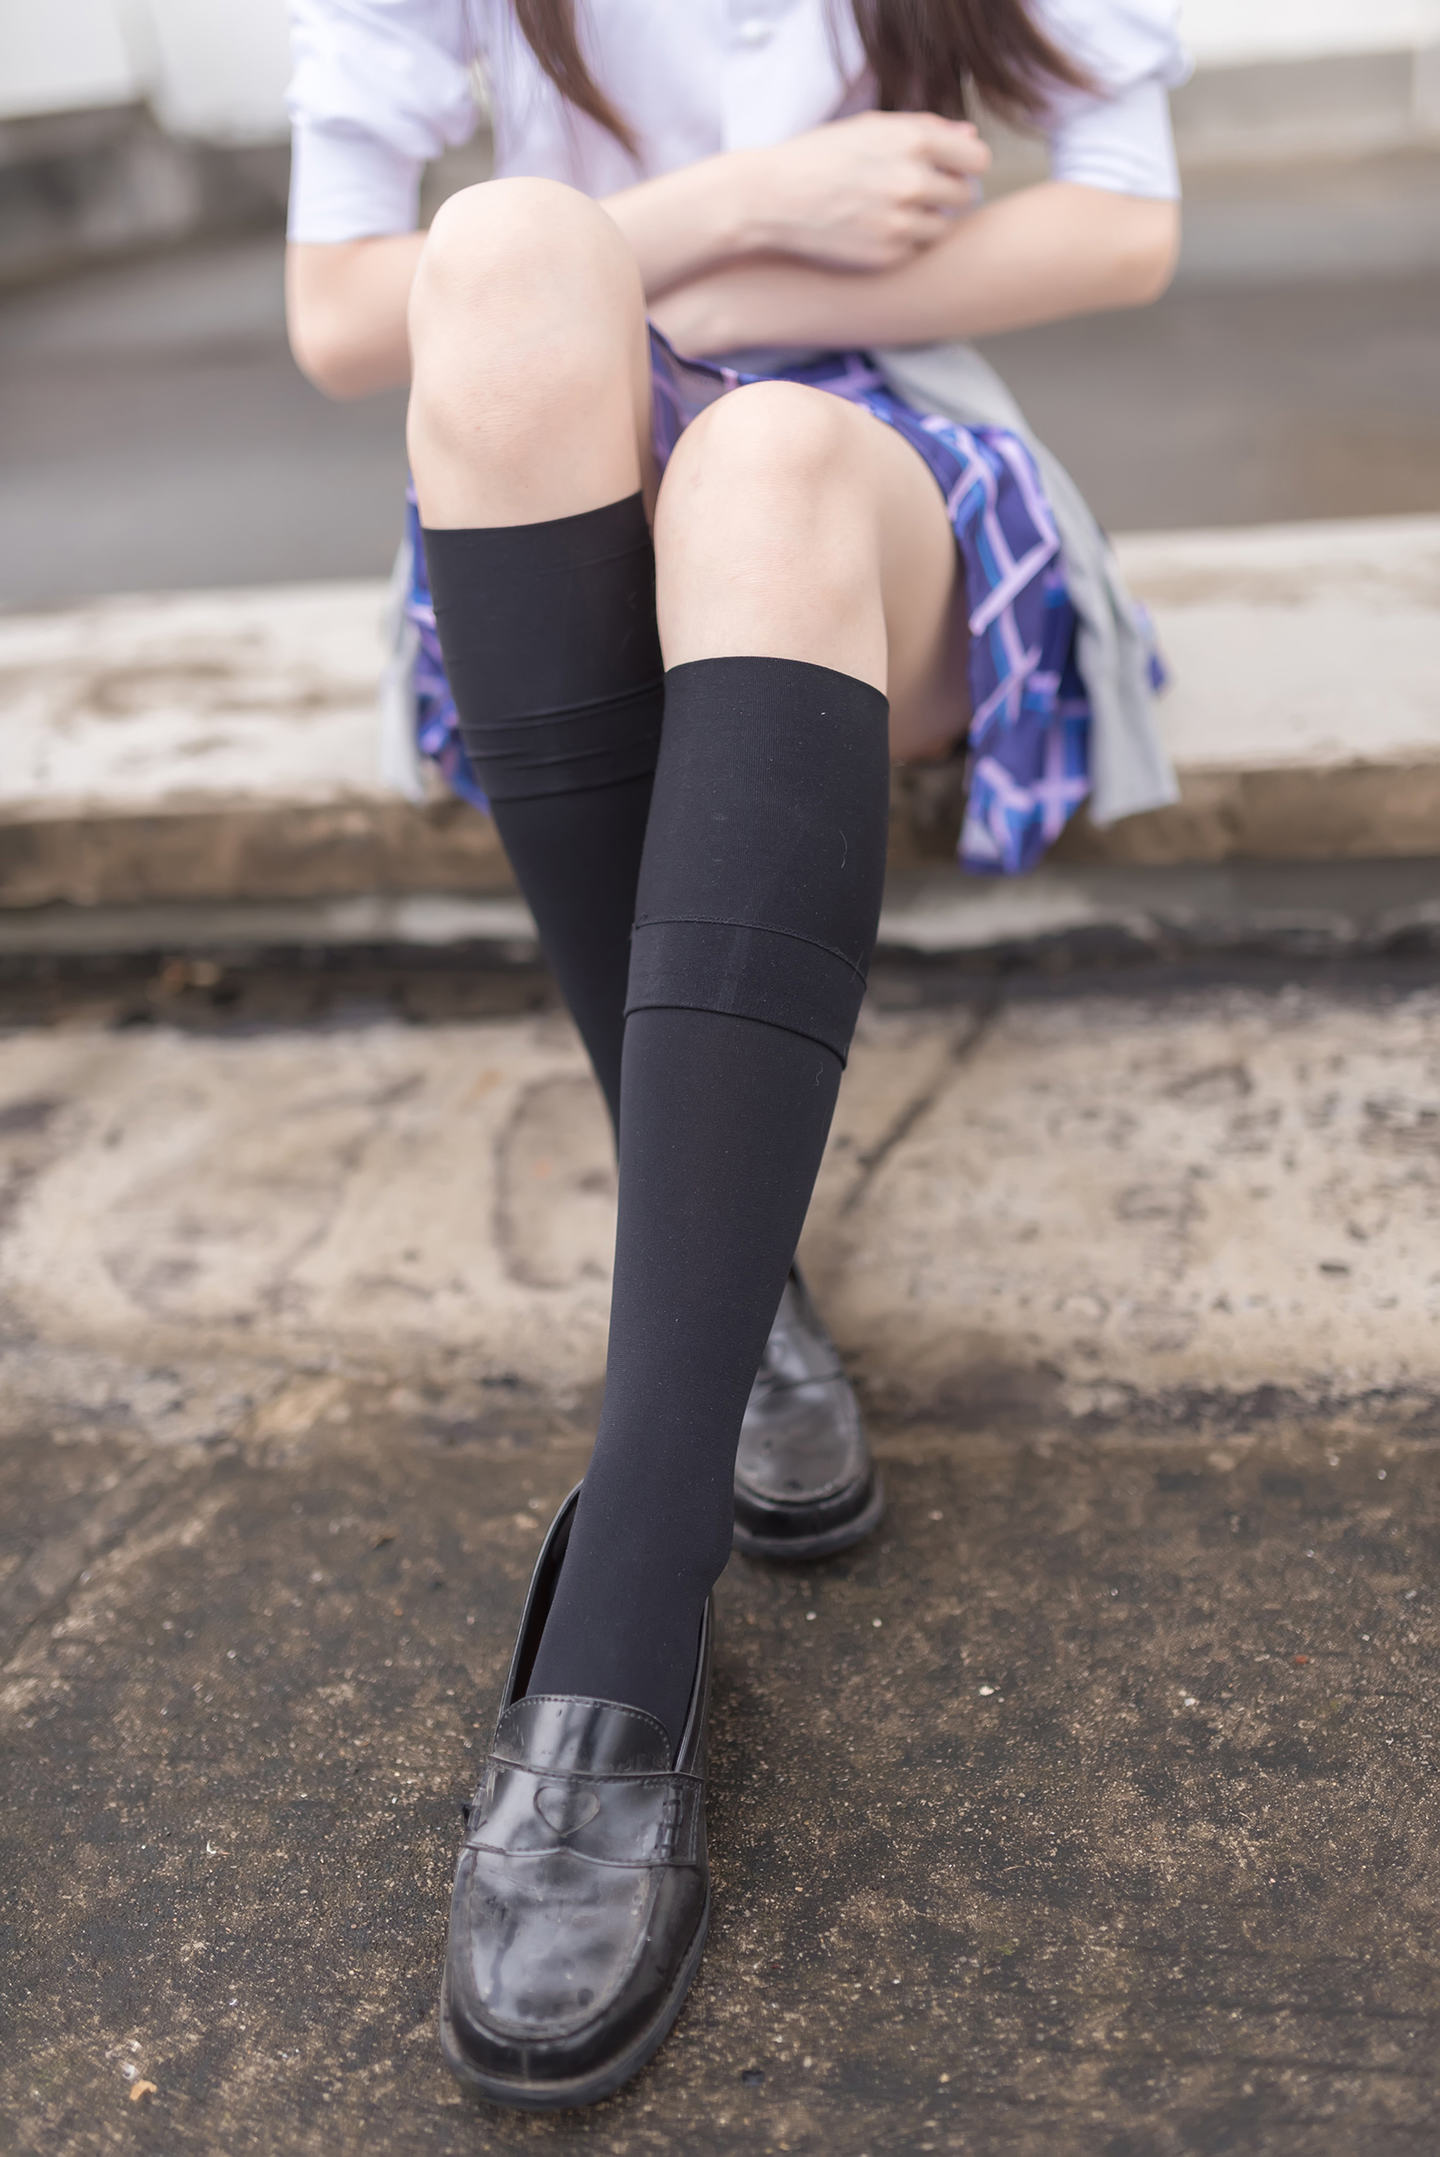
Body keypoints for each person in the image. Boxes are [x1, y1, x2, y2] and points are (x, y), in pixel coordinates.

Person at [285, 0, 1185, 2110]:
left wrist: (749, 297)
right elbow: (343, 320)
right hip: (550, 467)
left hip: (883, 473)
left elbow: (1125, 225)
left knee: (759, 459)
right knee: (506, 249)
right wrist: (734, 211)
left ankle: (631, 1582)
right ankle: (730, 1276)